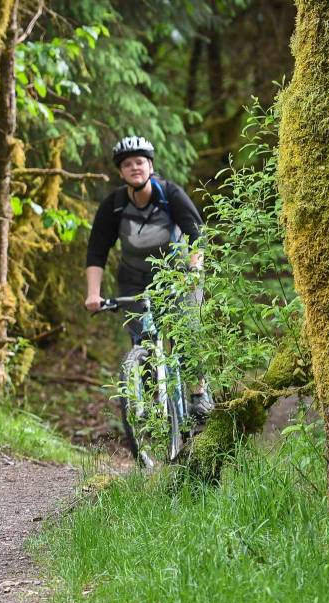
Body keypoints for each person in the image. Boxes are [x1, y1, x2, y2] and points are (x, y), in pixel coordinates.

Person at [84, 135, 212, 419]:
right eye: (127, 164)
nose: (134, 167)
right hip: (134, 280)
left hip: (179, 275)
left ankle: (199, 393)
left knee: (187, 332)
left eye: (140, 162)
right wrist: (93, 294)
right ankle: (148, 401)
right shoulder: (114, 205)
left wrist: (194, 269)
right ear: (120, 172)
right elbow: (96, 251)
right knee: (141, 339)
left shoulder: (170, 194)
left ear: (150, 166)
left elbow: (196, 235)